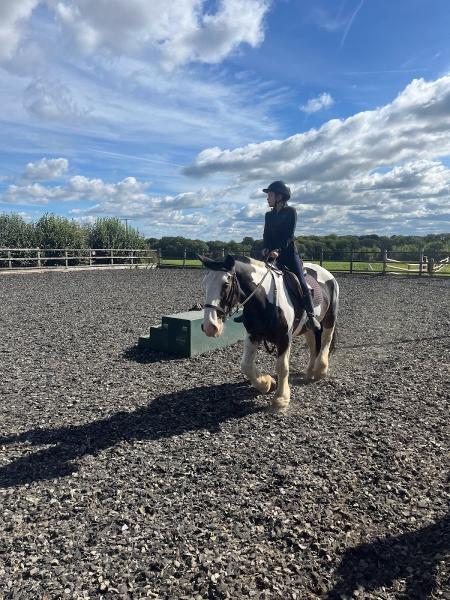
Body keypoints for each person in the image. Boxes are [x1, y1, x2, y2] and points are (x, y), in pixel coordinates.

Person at [261, 180, 321, 332]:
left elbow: (289, 236)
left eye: (270, 195)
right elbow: (266, 234)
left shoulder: (291, 212)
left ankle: (311, 315)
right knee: (257, 279)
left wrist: (278, 250)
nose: (268, 198)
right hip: (271, 254)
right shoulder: (269, 215)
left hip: (288, 254)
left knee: (301, 282)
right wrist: (265, 247)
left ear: (280, 196)